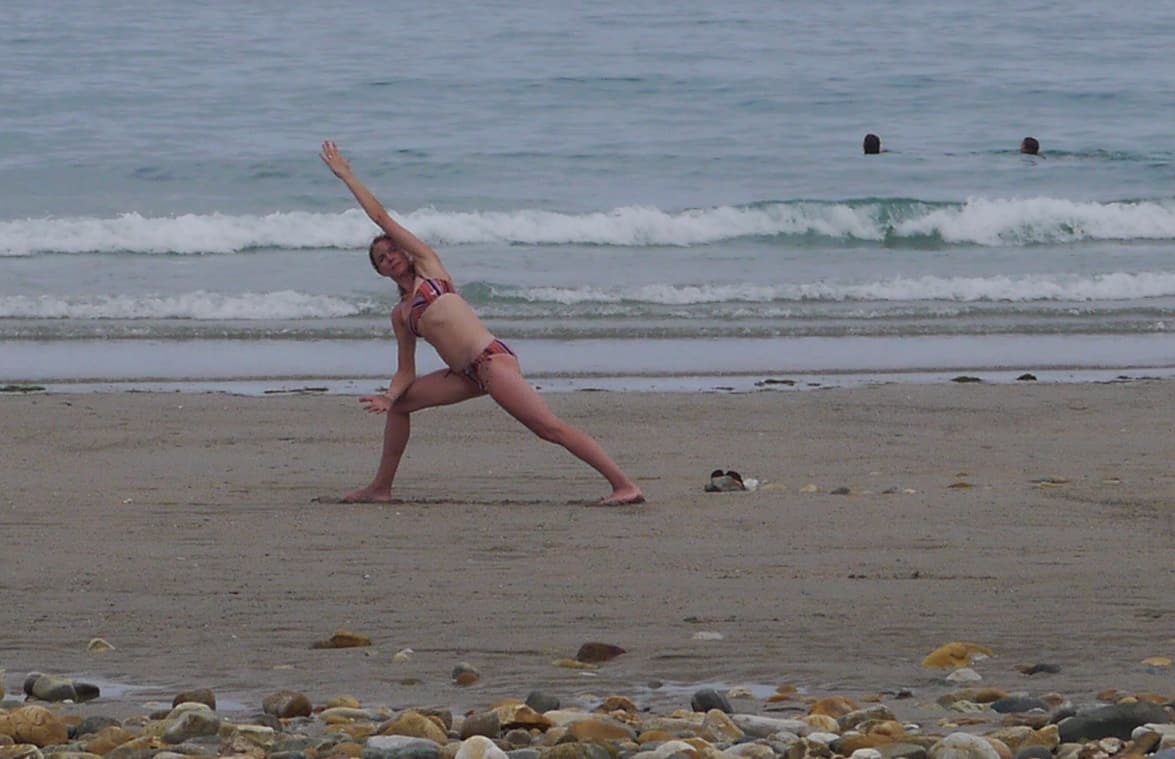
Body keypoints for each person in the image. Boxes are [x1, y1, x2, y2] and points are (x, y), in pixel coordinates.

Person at [319, 141, 644, 506]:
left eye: (392, 250)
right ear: (378, 271)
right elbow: (405, 371)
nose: (389, 257)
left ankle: (624, 485)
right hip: (463, 375)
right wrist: (388, 395)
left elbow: (381, 217)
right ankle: (381, 488)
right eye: (381, 258)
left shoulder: (430, 268)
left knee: (547, 428)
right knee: (401, 406)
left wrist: (347, 176)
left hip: (491, 361)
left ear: (405, 252)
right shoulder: (401, 315)